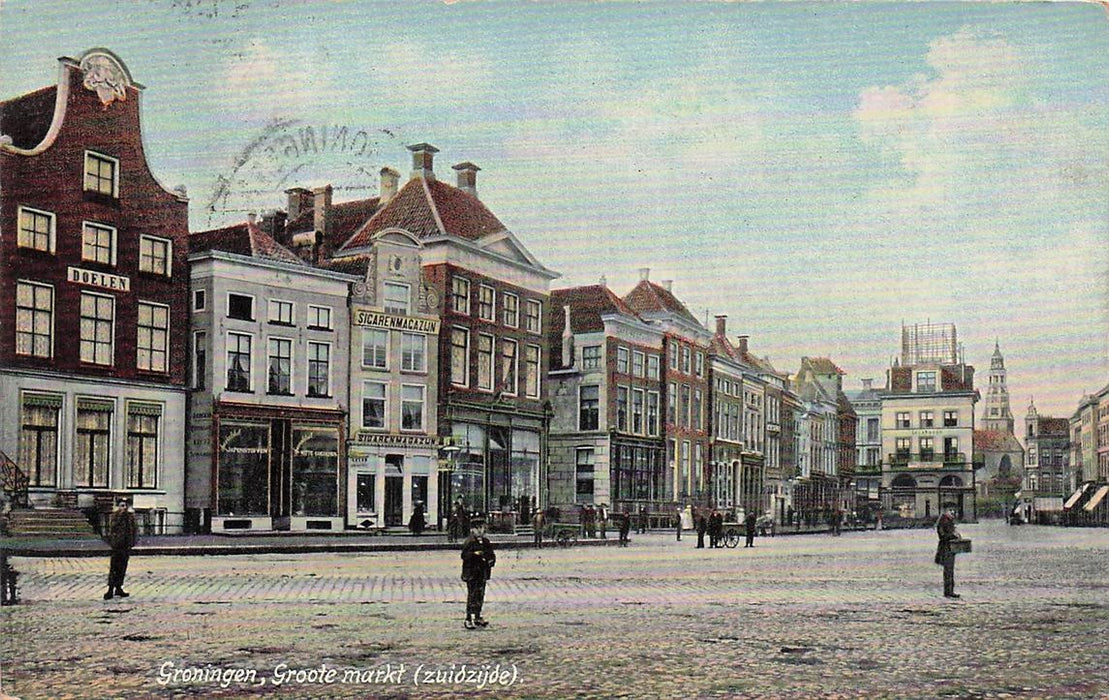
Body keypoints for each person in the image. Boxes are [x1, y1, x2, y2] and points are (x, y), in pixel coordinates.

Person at [461, 520, 496, 628]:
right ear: (472, 530)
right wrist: (474, 554)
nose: (480, 531)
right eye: (477, 528)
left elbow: (491, 554)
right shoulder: (470, 541)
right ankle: (468, 618)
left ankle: (477, 616)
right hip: (472, 573)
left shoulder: (486, 542)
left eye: (482, 528)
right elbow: (464, 555)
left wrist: (491, 561)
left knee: (480, 595)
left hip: (482, 572)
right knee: (472, 595)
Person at [104, 499, 138, 600]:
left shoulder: (130, 517)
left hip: (126, 545)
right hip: (117, 545)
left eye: (125, 506)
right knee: (114, 567)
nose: (124, 508)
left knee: (122, 567)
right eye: (121, 505)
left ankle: (119, 587)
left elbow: (134, 529)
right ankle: (110, 588)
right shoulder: (115, 516)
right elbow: (112, 527)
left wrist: (132, 542)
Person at [935, 509, 960, 598]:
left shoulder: (948, 521)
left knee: (950, 570)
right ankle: (948, 591)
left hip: (950, 548)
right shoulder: (943, 521)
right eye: (951, 512)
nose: (953, 514)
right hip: (945, 548)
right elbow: (942, 535)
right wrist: (952, 536)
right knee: (948, 570)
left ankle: (950, 590)